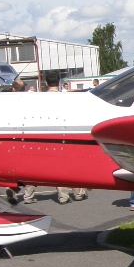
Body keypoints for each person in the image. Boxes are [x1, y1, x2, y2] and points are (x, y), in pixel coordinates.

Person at [45, 72, 87, 203]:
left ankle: (63, 196)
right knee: (73, 164)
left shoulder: (41, 98)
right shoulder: (66, 97)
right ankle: (78, 192)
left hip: (51, 135)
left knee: (58, 166)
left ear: (46, 84)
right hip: (67, 133)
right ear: (59, 83)